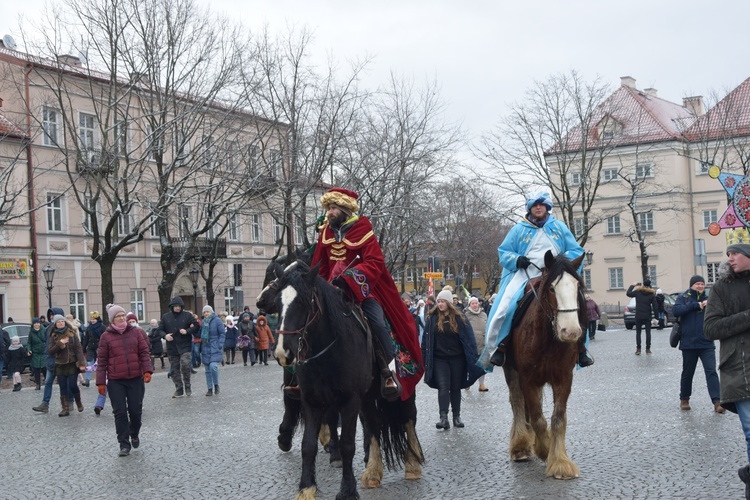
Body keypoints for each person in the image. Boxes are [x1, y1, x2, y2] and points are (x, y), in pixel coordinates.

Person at [308, 187, 423, 401]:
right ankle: (300, 377)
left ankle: (387, 372)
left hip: (361, 291)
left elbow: (375, 263)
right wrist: (316, 286)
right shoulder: (326, 232)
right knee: (306, 322)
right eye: (328, 208)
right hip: (330, 291)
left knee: (378, 323)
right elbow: (319, 265)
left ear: (343, 209)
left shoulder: (363, 230)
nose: (329, 213)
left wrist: (351, 277)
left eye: (333, 208)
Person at [478, 192, 591, 369]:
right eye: (534, 204)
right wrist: (517, 260)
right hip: (526, 274)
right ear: (530, 208)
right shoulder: (518, 229)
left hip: (555, 274)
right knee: (504, 308)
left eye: (541, 204)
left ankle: (581, 349)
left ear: (547, 207)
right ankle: (498, 347)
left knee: (580, 302)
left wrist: (562, 262)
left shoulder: (559, 227)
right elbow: (504, 252)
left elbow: (576, 251)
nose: (538, 207)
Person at [703, 243, 750, 498]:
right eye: (728, 254)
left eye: (736, 253)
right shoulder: (721, 288)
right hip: (739, 368)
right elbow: (711, 329)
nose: (730, 258)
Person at [422, 289, 484, 429]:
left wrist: (472, 357)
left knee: (455, 387)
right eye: (438, 302)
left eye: (443, 301)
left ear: (449, 303)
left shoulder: (459, 318)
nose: (440, 304)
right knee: (443, 386)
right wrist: (424, 359)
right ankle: (443, 417)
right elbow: (426, 341)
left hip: (457, 359)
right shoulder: (432, 319)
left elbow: (469, 339)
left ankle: (456, 416)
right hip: (439, 359)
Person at [97, 304, 153, 456]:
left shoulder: (136, 333)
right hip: (116, 381)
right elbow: (101, 361)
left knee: (136, 411)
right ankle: (124, 444)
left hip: (135, 378)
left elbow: (144, 352)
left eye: (123, 315)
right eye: (118, 316)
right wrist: (101, 382)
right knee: (120, 413)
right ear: (112, 319)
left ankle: (134, 432)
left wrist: (147, 370)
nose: (121, 318)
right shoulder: (106, 337)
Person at [673, 275, 723, 413]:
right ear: (691, 285)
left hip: (706, 342)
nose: (700, 286)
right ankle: (684, 399)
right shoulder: (684, 298)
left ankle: (717, 401)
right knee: (688, 373)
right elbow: (676, 311)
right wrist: (696, 305)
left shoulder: (710, 298)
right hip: (688, 343)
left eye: (702, 284)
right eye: (697, 284)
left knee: (711, 371)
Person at [158, 297, 199, 398]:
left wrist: (187, 331)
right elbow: (159, 330)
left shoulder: (187, 316)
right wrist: (165, 336)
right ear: (171, 307)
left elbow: (196, 326)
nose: (177, 308)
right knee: (174, 369)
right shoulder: (166, 317)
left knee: (185, 365)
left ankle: (187, 385)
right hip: (172, 346)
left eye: (179, 306)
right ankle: (179, 388)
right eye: (175, 306)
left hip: (185, 345)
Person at [47, 314, 86, 416]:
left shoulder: (72, 333)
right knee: (62, 387)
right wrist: (60, 343)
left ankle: (78, 402)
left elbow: (78, 349)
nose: (61, 323)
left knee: (73, 385)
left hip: (72, 363)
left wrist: (81, 363)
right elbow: (50, 351)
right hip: (60, 364)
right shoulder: (53, 336)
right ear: (55, 324)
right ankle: (65, 409)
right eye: (58, 322)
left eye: (62, 321)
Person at [626, 279, 659, 355]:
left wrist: (633, 285)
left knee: (638, 333)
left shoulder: (638, 292)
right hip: (647, 316)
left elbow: (628, 293)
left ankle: (638, 349)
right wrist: (656, 317)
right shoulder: (651, 294)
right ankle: (648, 349)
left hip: (638, 315)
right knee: (648, 333)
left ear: (643, 285)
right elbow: (655, 307)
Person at [200, 305, 225, 396]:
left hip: (215, 346)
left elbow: (222, 333)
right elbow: (199, 333)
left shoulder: (217, 321)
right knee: (207, 370)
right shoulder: (203, 322)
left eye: (208, 312)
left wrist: (220, 344)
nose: (206, 313)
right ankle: (209, 388)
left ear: (211, 312)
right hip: (206, 347)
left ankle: (216, 385)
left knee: (213, 366)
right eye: (205, 312)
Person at [464, 296, 488, 392]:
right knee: (469, 364)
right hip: (471, 344)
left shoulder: (484, 314)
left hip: (482, 343)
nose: (475, 305)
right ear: (469, 305)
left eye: (476, 303)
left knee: (482, 366)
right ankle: (468, 382)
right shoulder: (466, 315)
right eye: (472, 303)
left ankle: (481, 384)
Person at [81, 311, 103, 387]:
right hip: (90, 347)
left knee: (99, 365)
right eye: (91, 319)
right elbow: (86, 339)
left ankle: (100, 380)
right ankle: (87, 380)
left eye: (94, 319)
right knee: (90, 363)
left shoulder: (102, 327)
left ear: (97, 319)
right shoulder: (89, 328)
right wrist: (83, 349)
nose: (92, 320)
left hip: (99, 348)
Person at [27, 318, 47, 390]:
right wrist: (29, 350)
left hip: (43, 352)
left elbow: (47, 339)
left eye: (38, 323)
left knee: (44, 368)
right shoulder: (31, 332)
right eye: (35, 323)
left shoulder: (44, 330)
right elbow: (29, 342)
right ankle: (38, 384)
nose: (36, 324)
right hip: (35, 352)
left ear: (40, 324)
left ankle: (47, 381)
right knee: (36, 369)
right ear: (33, 324)